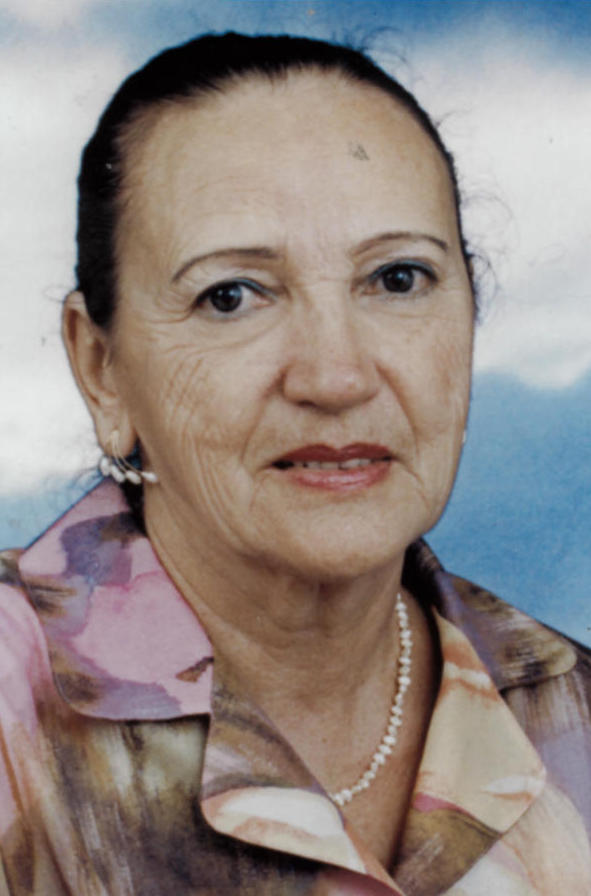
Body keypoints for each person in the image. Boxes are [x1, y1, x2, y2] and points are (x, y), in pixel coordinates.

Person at [0, 32, 589, 896]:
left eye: (397, 279)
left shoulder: (572, 710)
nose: (335, 377)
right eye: (230, 296)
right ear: (101, 369)